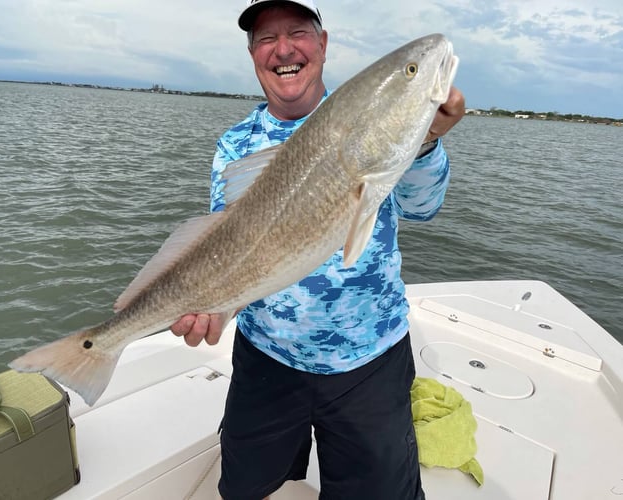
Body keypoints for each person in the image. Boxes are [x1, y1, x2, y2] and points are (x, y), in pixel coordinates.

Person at [171, 1, 466, 498]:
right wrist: (215, 307)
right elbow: (232, 253)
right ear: (252, 55)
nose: (284, 49)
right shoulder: (236, 144)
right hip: (267, 355)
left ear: (323, 44)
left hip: (370, 357)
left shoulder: (376, 120)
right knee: (246, 488)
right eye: (266, 39)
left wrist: (425, 139)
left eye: (298, 33)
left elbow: (421, 207)